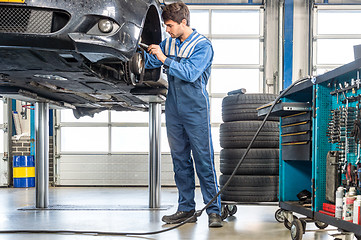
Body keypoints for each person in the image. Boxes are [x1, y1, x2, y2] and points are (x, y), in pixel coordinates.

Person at [142, 1, 222, 228]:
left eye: (169, 25)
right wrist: (144, 51)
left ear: (183, 22)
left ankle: (214, 211)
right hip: (174, 107)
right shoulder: (169, 43)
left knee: (203, 160)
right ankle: (186, 208)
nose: (167, 30)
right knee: (180, 160)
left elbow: (190, 73)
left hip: (195, 107)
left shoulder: (202, 46)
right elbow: (151, 60)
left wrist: (164, 58)